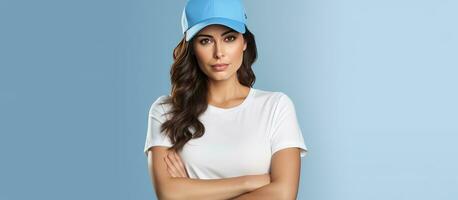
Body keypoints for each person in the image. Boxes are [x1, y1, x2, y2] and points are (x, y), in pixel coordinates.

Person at [144, 0, 309, 199]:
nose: (219, 53)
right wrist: (249, 182)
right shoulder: (166, 111)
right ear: (192, 48)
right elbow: (169, 193)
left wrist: (193, 191)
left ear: (244, 42)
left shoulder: (276, 107)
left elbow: (283, 194)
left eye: (229, 38)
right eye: (205, 41)